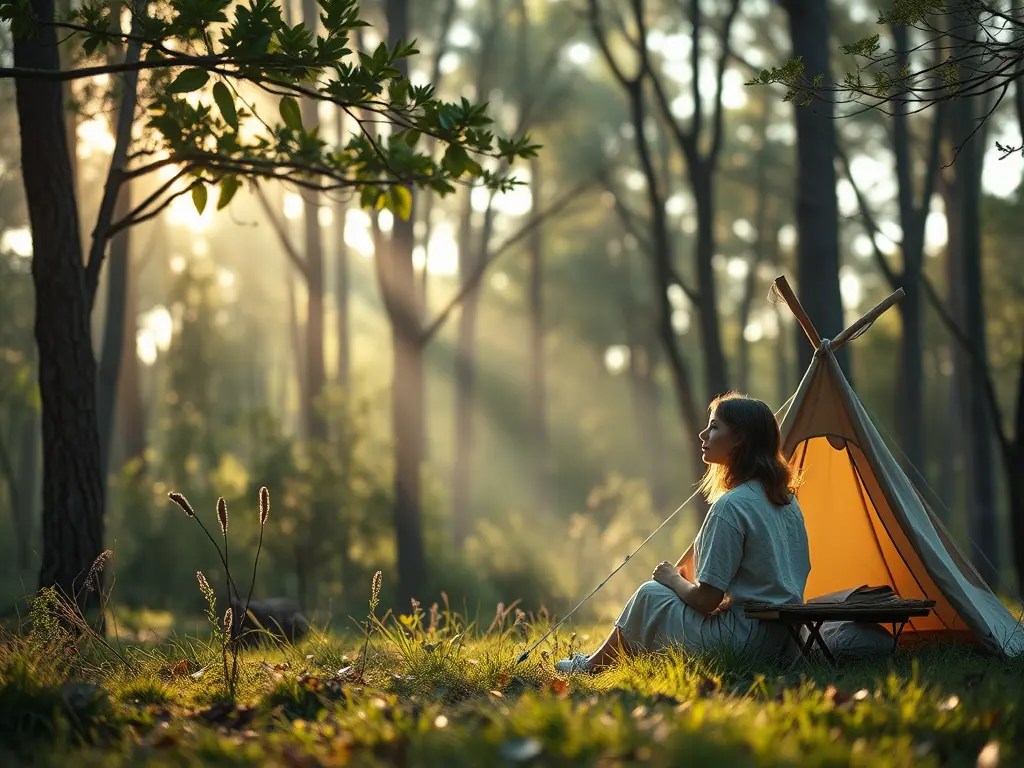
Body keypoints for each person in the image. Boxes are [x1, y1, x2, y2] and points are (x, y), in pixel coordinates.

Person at [555, 392, 810, 673]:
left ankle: (592, 666)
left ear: (739, 439)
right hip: (785, 644)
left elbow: (705, 601)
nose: (703, 435)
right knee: (661, 597)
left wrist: (673, 579)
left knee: (651, 593)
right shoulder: (787, 501)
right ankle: (601, 661)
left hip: (742, 643)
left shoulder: (732, 505)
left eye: (714, 427)